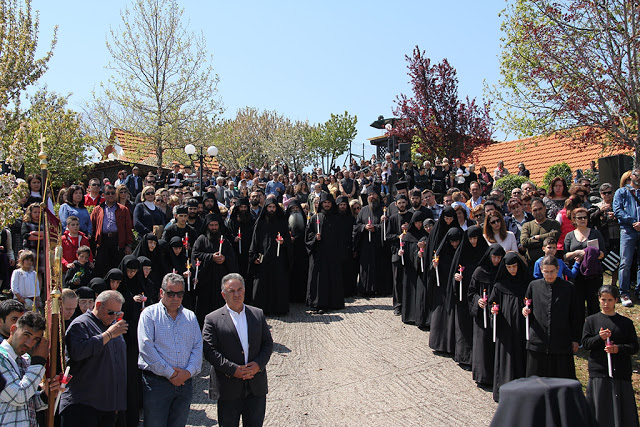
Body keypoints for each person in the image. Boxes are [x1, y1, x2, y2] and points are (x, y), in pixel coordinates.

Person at [202, 273, 274, 427]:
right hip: (229, 388)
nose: (236, 294)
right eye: (231, 291)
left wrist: (258, 365)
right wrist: (233, 370)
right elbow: (209, 351)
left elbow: (267, 343)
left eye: (239, 290)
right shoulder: (212, 319)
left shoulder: (257, 314)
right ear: (223, 294)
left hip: (256, 386)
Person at [137, 273, 202, 427]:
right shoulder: (149, 314)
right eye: (171, 293)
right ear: (161, 293)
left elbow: (198, 347)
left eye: (179, 294)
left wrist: (188, 372)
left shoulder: (190, 316)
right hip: (157, 383)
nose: (175, 298)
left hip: (184, 383)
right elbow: (146, 347)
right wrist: (171, 373)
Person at [61, 290, 128, 426]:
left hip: (109, 405)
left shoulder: (114, 327)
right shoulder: (81, 324)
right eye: (111, 312)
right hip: (84, 404)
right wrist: (108, 335)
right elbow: (78, 352)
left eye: (118, 313)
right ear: (98, 305)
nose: (113, 317)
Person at [582, 285, 639, 427]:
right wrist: (599, 338)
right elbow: (586, 344)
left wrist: (617, 349)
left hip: (620, 372)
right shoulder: (591, 321)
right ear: (599, 300)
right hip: (599, 371)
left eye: (609, 300)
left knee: (621, 410)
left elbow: (634, 347)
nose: (606, 304)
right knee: (600, 409)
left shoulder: (626, 323)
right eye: (603, 300)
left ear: (616, 301)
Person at [523, 256, 580, 379]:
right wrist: (525, 310)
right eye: (546, 271)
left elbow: (575, 314)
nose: (549, 275)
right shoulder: (534, 285)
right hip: (538, 339)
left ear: (558, 269)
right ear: (541, 270)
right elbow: (527, 304)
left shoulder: (568, 287)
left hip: (561, 340)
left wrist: (575, 338)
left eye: (552, 271)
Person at [0, 311, 59, 426]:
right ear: (13, 330)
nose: (29, 343)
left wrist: (46, 395)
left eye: (36, 339)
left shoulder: (25, 358)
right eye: (26, 335)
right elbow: (19, 396)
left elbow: (27, 404)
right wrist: (38, 362)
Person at [488, 253, 529, 402]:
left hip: (521, 328)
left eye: (514, 267)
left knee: (521, 357)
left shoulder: (526, 283)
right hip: (505, 328)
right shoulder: (500, 285)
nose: (512, 270)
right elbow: (492, 303)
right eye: (509, 267)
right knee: (505, 359)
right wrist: (493, 312)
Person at [448, 225, 488, 366]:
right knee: (464, 326)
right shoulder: (462, 252)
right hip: (463, 294)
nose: (473, 241)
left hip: (478, 293)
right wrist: (456, 277)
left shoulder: (484, 251)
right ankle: (464, 356)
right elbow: (453, 272)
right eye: (470, 238)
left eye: (475, 238)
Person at [248, 196, 292, 315]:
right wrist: (254, 256)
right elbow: (255, 241)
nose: (272, 209)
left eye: (273, 207)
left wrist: (283, 242)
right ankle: (261, 310)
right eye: (269, 207)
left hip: (279, 258)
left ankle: (279, 309)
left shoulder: (282, 222)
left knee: (278, 284)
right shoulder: (260, 222)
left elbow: (288, 239)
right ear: (266, 208)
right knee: (262, 284)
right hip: (264, 258)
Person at [469, 244, 505, 386]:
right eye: (494, 257)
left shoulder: (503, 272)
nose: (496, 260)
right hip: (482, 314)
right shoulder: (479, 272)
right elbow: (471, 291)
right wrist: (478, 300)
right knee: (483, 344)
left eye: (499, 258)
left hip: (498, 313)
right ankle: (483, 376)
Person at [192, 214, 238, 326]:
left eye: (216, 225)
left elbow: (232, 258)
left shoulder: (224, 241)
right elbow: (195, 255)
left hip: (220, 279)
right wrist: (211, 257)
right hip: (205, 281)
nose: (214, 228)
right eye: (211, 225)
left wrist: (224, 259)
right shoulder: (201, 240)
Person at [306, 193, 344, 313]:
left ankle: (334, 303)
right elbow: (308, 236)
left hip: (333, 255)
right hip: (318, 254)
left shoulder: (337, 218)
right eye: (324, 203)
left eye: (328, 203)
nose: (327, 205)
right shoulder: (314, 218)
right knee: (319, 279)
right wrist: (314, 238)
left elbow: (341, 238)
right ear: (321, 204)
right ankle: (318, 303)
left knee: (333, 277)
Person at [90, 184, 134, 277]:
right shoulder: (97, 209)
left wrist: (128, 245)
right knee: (101, 269)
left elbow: (128, 229)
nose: (110, 195)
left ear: (116, 194)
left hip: (117, 242)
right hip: (102, 242)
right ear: (104, 195)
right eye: (108, 193)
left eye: (112, 193)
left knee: (116, 269)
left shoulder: (123, 210)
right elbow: (92, 227)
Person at [613, 168, 640, 307]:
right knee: (625, 262)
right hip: (628, 230)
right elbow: (617, 210)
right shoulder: (621, 192)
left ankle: (639, 291)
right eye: (637, 175)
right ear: (632, 176)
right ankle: (624, 292)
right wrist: (632, 222)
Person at [520, 198, 561, 270]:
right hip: (531, 265)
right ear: (531, 211)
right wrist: (546, 240)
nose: (538, 212)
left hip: (551, 265)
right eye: (535, 210)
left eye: (540, 209)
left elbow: (555, 236)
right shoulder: (527, 225)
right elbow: (524, 242)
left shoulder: (554, 224)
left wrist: (537, 237)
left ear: (545, 208)